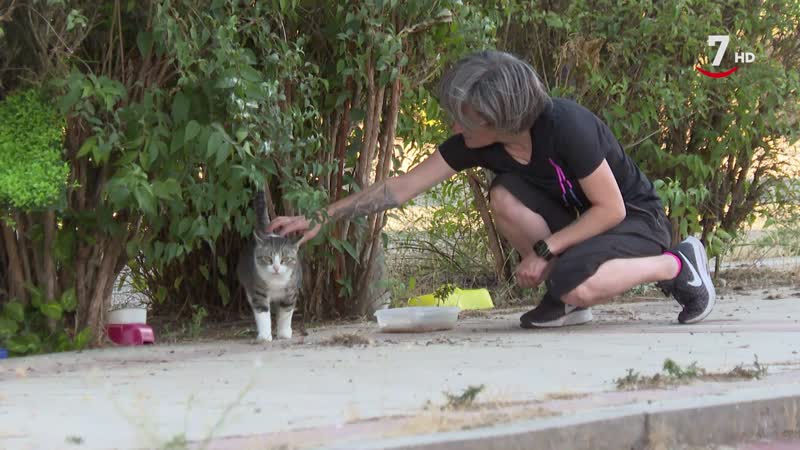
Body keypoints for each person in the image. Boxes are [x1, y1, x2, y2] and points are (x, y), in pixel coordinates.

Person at [267, 50, 716, 328]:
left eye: (466, 117)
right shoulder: (477, 144)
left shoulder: (567, 125)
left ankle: (677, 265)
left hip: (632, 218)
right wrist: (323, 217)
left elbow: (611, 210)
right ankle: (567, 301)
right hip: (582, 225)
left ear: (501, 118)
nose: (455, 124)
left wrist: (544, 251)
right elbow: (400, 188)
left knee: (576, 280)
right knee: (504, 194)